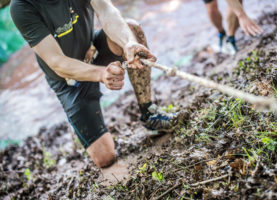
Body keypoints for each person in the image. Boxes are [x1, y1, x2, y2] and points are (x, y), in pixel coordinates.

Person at [10, 0, 176, 168]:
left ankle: (149, 113)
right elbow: (57, 62)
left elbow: (106, 11)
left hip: (93, 49)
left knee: (131, 29)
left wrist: (128, 42)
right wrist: (101, 73)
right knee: (105, 158)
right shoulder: (22, 7)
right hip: (69, 80)